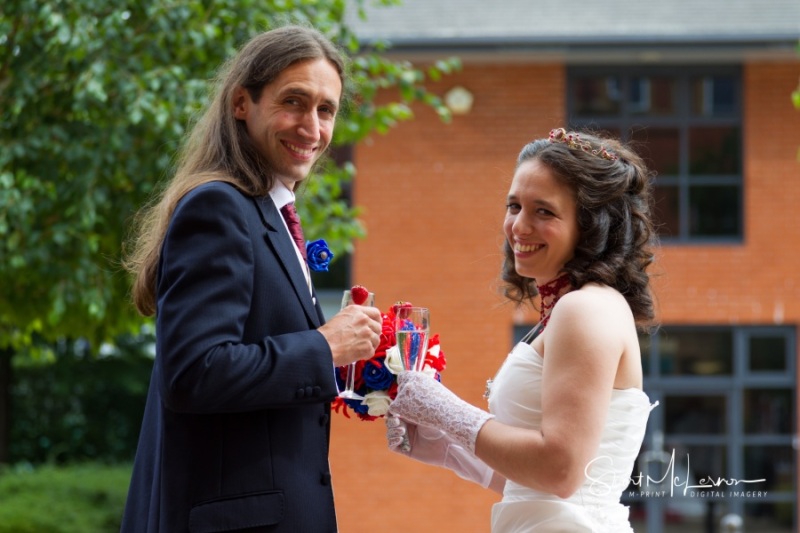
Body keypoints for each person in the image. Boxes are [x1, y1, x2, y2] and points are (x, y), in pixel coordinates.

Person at [121, 25, 383, 532]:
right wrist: (324, 347)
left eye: (325, 110)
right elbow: (194, 373)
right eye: (294, 102)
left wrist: (356, 366)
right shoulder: (218, 207)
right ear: (243, 103)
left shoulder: (270, 214)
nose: (311, 127)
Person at [386, 128, 659, 532]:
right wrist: (447, 448)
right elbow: (538, 488)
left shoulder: (585, 309)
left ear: (590, 226)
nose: (519, 226)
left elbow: (560, 472)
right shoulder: (570, 310)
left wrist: (443, 408)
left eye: (543, 211)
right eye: (514, 206)